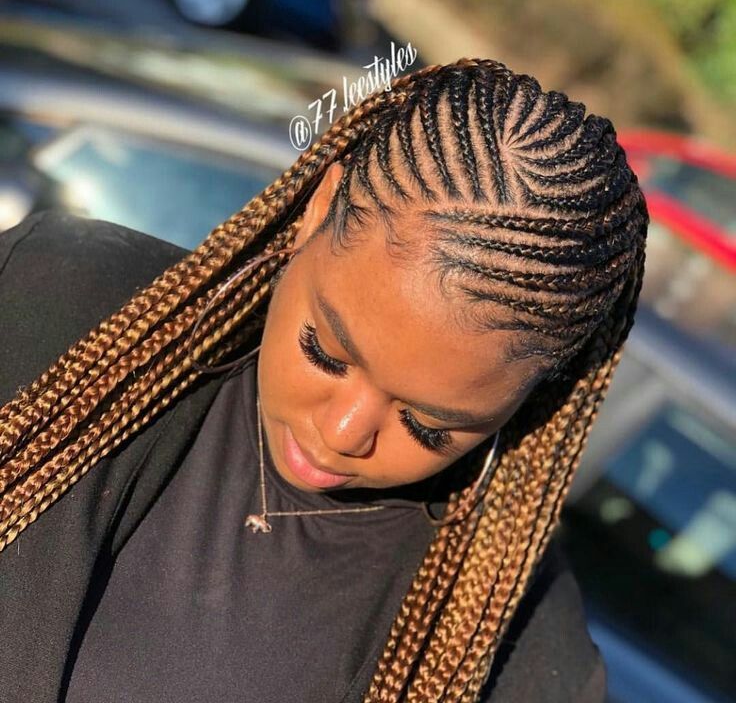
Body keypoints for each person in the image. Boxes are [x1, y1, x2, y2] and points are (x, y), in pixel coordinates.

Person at [0, 57, 647, 702]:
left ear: (534, 394)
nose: (341, 433)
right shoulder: (50, 297)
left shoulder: (515, 659)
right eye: (326, 353)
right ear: (318, 210)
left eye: (427, 426)